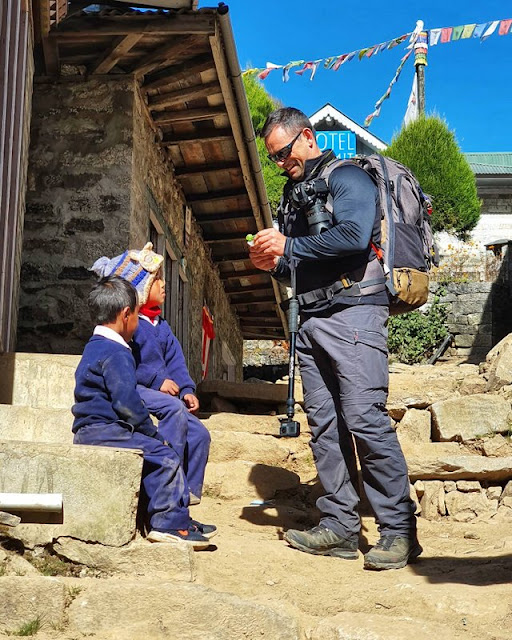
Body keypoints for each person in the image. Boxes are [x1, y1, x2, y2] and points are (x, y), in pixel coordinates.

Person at [248, 107, 421, 570]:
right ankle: (341, 527)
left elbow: (352, 237)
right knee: (324, 425)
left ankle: (399, 531)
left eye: (283, 155)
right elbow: (300, 259)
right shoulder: (296, 193)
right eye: (275, 160)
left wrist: (288, 246)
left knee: (364, 418)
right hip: (312, 318)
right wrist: (275, 260)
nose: (281, 165)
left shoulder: (349, 178)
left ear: (306, 137)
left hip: (355, 313)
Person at [72, 275, 214, 549]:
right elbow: (127, 401)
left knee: (159, 453)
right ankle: (168, 525)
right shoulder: (117, 352)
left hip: (94, 430)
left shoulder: (95, 347)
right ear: (126, 315)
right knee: (165, 455)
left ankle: (175, 516)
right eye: (136, 315)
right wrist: (151, 433)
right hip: (106, 431)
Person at [90, 243, 211, 510]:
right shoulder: (129, 325)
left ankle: (188, 492)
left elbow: (176, 362)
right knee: (173, 410)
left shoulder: (163, 326)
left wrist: (187, 389)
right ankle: (169, 486)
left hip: (163, 393)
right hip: (141, 389)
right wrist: (157, 382)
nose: (163, 284)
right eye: (156, 279)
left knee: (201, 435)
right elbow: (128, 366)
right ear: (140, 290)